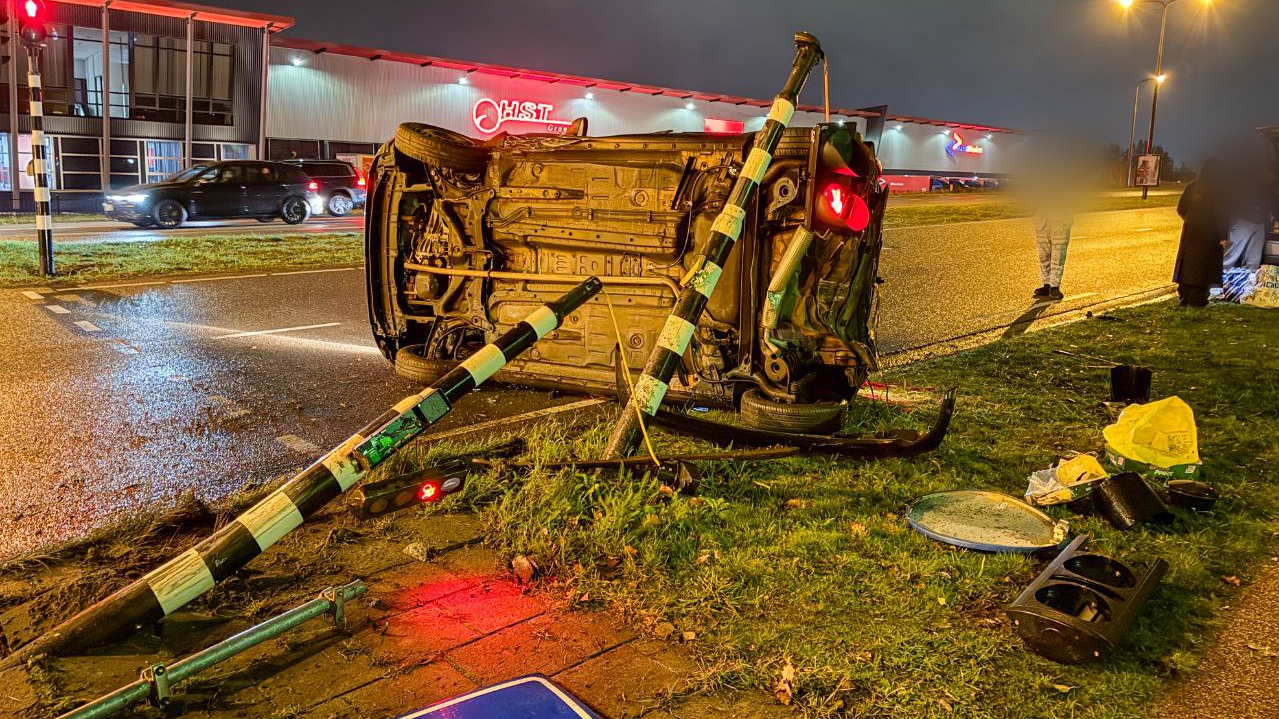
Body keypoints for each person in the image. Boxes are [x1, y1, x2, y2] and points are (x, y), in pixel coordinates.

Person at [1174, 157, 1230, 307]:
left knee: (1188, 263)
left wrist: (1189, 220)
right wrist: (1223, 235)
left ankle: (1185, 294)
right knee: (1204, 265)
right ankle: (1198, 297)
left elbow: (1181, 208)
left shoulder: (1193, 187)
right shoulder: (1219, 189)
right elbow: (1221, 213)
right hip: (1210, 232)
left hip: (1191, 230)